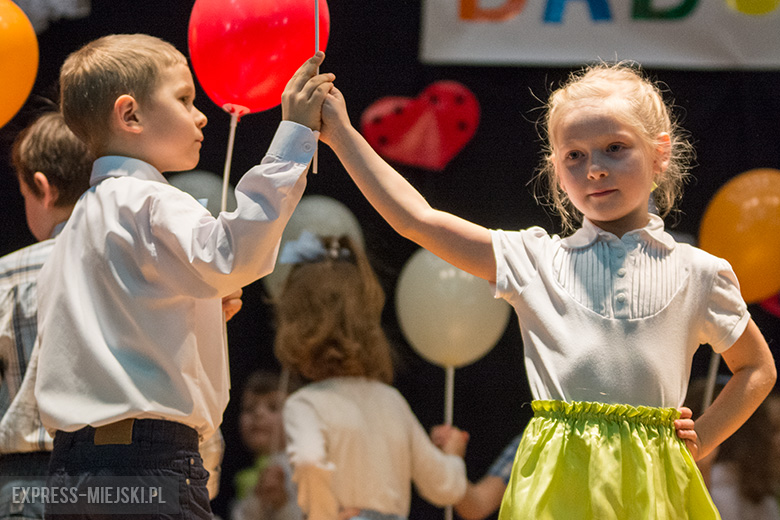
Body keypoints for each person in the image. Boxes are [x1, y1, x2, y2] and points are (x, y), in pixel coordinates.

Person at [318, 62, 777, 519]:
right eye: (574, 155)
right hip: (558, 486)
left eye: (615, 148)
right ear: (556, 170)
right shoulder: (534, 259)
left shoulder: (699, 271)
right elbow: (416, 219)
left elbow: (756, 367)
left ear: (660, 154)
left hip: (653, 485)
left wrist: (705, 436)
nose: (594, 168)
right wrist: (339, 132)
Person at [32, 34, 334, 519]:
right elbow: (231, 255)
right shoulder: (149, 199)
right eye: (184, 99)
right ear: (129, 115)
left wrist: (200, 307)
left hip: (71, 470)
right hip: (148, 460)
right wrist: (294, 137)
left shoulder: (74, 226)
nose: (201, 116)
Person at [273, 231, 469, 520]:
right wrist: (452, 454)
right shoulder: (392, 401)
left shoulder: (305, 405)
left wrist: (322, 514)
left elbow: (308, 460)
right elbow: (446, 488)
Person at [0, 109, 92, 520]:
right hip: (122, 474)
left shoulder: (8, 276)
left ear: (42, 187)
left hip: (27, 481)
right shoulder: (135, 264)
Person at [230, 370, 304, 520]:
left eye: (273, 407)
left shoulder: (302, 471)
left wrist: (281, 503)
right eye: (249, 408)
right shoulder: (248, 475)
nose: (259, 413)